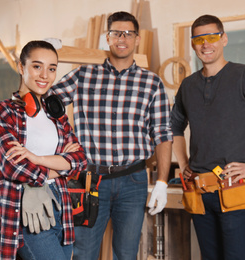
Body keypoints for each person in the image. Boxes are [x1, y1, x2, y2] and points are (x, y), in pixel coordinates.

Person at [52, 11, 173, 260]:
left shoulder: (151, 83)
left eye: (128, 33)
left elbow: (162, 133)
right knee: (84, 253)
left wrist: (161, 181)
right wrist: (43, 54)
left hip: (133, 181)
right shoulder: (82, 75)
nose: (122, 38)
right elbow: (45, 105)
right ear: (107, 38)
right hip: (89, 180)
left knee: (127, 255)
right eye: (116, 33)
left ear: (137, 39)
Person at [171, 15, 245, 260]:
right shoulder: (188, 86)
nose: (206, 44)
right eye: (199, 39)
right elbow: (173, 126)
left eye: (212, 37)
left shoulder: (244, 76)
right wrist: (184, 164)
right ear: (193, 44)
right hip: (199, 190)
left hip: (234, 188)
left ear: (223, 39)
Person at [0, 40, 87, 260]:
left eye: (51, 68)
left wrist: (35, 157)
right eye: (36, 66)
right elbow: (15, 169)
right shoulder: (4, 112)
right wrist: (62, 166)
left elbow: (80, 160)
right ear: (21, 67)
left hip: (62, 209)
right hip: (28, 211)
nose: (45, 75)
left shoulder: (56, 114)